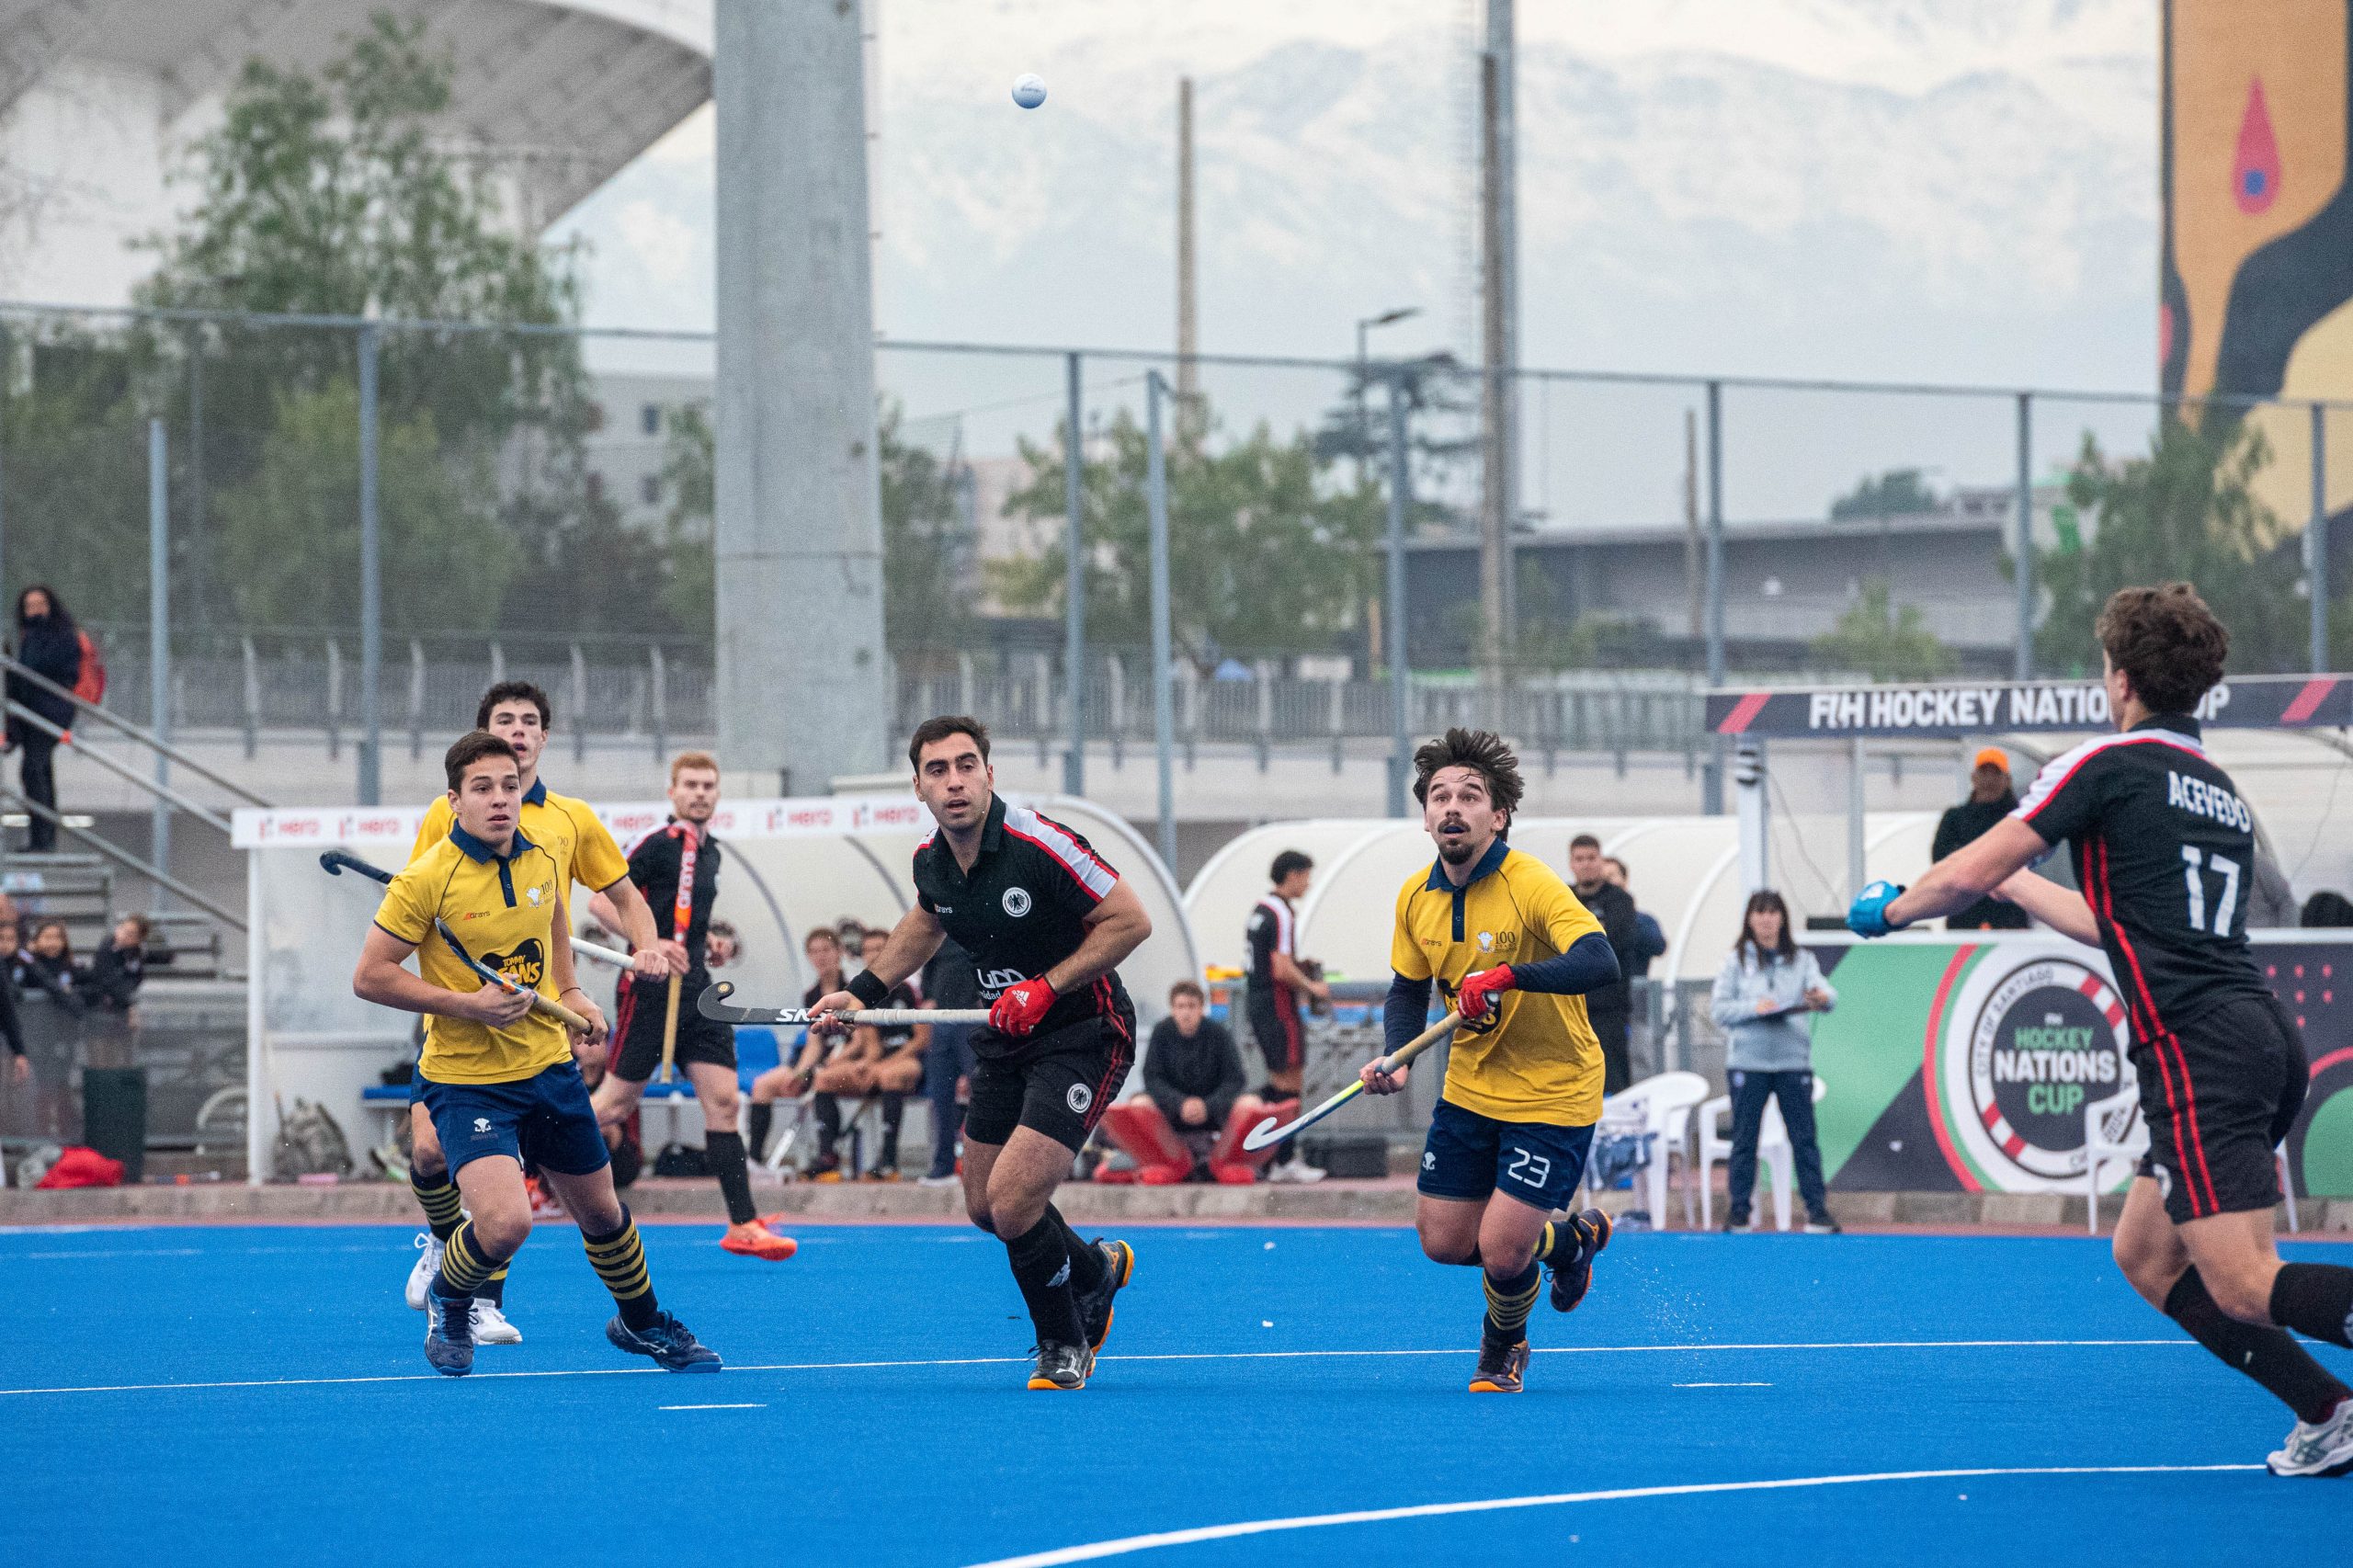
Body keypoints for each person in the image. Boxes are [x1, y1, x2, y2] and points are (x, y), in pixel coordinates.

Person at [1849, 582, 2353, 1479]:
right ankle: (2328, 1411)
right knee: (2147, 1253)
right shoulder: (2218, 790)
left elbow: (1963, 871)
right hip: (2259, 1033)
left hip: (2199, 1048)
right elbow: (2111, 925)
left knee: (2243, 1279)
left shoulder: (2106, 764)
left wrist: (1892, 910)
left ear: (2119, 679)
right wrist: (2013, 883)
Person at [353, 731, 718, 1378]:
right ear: (454, 801)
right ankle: (451, 1298)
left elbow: (553, 935)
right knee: (505, 1225)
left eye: (509, 786)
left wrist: (573, 994)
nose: (500, 799)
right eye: (482, 788)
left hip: (548, 1069)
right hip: (467, 1081)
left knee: (603, 1212)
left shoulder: (544, 858)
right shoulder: (426, 878)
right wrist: (468, 1006)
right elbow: (370, 976)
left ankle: (641, 1322)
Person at [811, 716, 1152, 1391]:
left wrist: (1046, 987)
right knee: (984, 1207)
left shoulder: (1041, 843)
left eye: (967, 766)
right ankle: (1095, 1271)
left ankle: (1065, 1341)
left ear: (990, 775)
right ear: (919, 787)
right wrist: (863, 992)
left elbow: (1131, 920)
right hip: (1007, 1039)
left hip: (1084, 1033)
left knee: (1015, 1201)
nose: (955, 782)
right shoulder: (931, 862)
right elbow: (926, 920)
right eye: (938, 771)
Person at [399, 681, 676, 1342]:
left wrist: (644, 947)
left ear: (544, 737)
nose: (518, 730)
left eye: (529, 721)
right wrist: (464, 996)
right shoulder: (446, 817)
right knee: (431, 1152)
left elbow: (615, 898)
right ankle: (445, 1246)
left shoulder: (568, 822)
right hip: (461, 1032)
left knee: (569, 1201)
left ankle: (483, 1300)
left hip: (540, 1035)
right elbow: (418, 910)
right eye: (505, 720)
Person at [1359, 728, 1621, 1394]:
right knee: (1445, 1243)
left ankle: (1502, 1348)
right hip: (1471, 1090)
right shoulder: (1414, 897)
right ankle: (1570, 1242)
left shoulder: (1529, 882)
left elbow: (1599, 960)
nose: (1453, 806)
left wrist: (1509, 975)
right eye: (1440, 796)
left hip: (1554, 1092)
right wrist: (1398, 1056)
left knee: (1504, 1251)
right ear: (1425, 817)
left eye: (1470, 796)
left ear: (1498, 815)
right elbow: (1407, 989)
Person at [587, 752, 792, 1258]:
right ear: (673, 792)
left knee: (725, 1102)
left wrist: (706, 946)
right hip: (651, 992)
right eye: (691, 785)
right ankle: (520, 1159)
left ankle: (742, 1224)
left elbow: (686, 923)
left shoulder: (711, 852)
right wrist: (651, 943)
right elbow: (600, 902)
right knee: (612, 1106)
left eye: (708, 786)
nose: (700, 793)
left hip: (699, 992)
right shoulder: (657, 844)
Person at [1710, 891, 1838, 1233]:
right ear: (1749, 919)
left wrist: (1820, 997)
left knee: (1804, 1139)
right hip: (1747, 1063)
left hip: (1792, 1063)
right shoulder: (1735, 962)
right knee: (1744, 1140)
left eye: (1772, 912)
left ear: (1782, 918)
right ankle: (1739, 1212)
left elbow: (1828, 996)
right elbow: (1718, 1010)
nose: (1766, 919)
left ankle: (1817, 1211)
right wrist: (1754, 1008)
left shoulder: (1803, 960)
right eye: (1760, 912)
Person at [1100, 979, 1274, 1185]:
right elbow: (1152, 1079)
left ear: (1201, 1008)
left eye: (1192, 1006)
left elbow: (1235, 1080)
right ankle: (1168, 1161)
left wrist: (1207, 1106)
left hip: (1215, 1112)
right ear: (1173, 1009)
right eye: (1181, 1006)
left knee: (1251, 1103)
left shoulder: (1218, 1033)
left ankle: (1225, 1163)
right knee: (1139, 1103)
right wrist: (1180, 1103)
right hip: (1172, 1112)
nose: (1186, 1013)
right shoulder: (1161, 1032)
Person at [805, 928, 929, 1179]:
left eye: (879, 949)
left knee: (889, 1076)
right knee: (824, 1079)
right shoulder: (864, 994)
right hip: (879, 1064)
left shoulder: (909, 989)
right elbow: (870, 1044)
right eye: (868, 950)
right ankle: (829, 1158)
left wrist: (884, 1065)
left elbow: (922, 1040)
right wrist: (867, 1064)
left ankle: (888, 1162)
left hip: (907, 1061)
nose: (873, 955)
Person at [1245, 849, 1332, 1183]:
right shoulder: (1281, 912)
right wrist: (1312, 987)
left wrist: (1299, 967)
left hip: (1261, 1003)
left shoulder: (1260, 909)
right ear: (1293, 874)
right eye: (1306, 876)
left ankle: (1269, 1155)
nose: (1308, 884)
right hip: (1278, 1006)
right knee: (1290, 1083)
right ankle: (1283, 1160)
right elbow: (1280, 968)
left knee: (1280, 1081)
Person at [4, 586, 81, 853]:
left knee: (33, 769)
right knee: (39, 770)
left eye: (40, 604)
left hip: (50, 711)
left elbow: (42, 667)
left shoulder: (59, 634)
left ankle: (43, 840)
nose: (35, 611)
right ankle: (42, 839)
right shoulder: (29, 635)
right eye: (30, 606)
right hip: (32, 712)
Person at [1569, 834, 1641, 1094]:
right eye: (1580, 859)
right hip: (1571, 1010)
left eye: (1591, 858)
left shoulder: (1620, 901)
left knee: (1614, 1082)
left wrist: (1578, 939)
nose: (1586, 864)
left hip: (1610, 1010)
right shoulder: (1563, 898)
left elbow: (1615, 942)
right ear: (1571, 864)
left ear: (1601, 860)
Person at [1930, 749, 2030, 931]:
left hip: (2010, 915)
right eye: (1984, 773)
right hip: (1964, 915)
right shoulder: (1954, 818)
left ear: (2007, 780)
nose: (1989, 780)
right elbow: (1940, 861)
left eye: (1996, 774)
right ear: (1974, 777)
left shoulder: (2020, 817)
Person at [917, 932, 983, 1187]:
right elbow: (928, 974)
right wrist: (929, 999)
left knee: (984, 1091)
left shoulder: (982, 929)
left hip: (974, 1018)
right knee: (940, 1094)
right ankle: (943, 1165)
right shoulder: (938, 935)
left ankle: (985, 1166)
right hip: (942, 1020)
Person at [1603, 858, 1669, 979]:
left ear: (1624, 880)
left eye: (1611, 875)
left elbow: (1659, 946)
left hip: (1633, 985)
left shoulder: (1643, 921)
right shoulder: (1590, 918)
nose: (1607, 882)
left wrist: (1624, 924)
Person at [85, 914, 163, 1015]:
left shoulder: (136, 954)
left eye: (130, 934)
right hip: (101, 999)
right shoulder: (107, 946)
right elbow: (104, 977)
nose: (123, 935)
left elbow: (134, 979)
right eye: (122, 929)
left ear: (138, 940)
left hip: (121, 999)